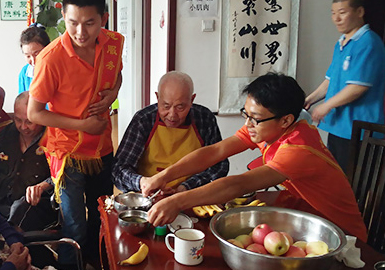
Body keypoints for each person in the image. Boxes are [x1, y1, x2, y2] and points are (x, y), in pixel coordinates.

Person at [142, 73, 367, 241]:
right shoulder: (265, 128)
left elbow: (240, 183)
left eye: (255, 118)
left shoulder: (298, 149)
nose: (248, 124)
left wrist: (178, 201)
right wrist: (165, 176)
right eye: (246, 114)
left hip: (343, 236)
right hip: (307, 220)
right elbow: (216, 151)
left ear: (286, 120)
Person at [27, 0, 124, 268]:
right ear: (63, 16)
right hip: (66, 150)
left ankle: (99, 268)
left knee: (101, 215)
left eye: (90, 23)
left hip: (101, 145)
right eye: (72, 23)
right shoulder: (51, 59)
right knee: (74, 224)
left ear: (104, 18)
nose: (80, 32)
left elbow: (116, 75)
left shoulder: (113, 44)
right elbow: (34, 113)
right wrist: (82, 125)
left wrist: (112, 95)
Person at [304, 0, 385, 172]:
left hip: (361, 131)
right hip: (339, 127)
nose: (336, 19)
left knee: (355, 183)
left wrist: (326, 106)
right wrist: (309, 99)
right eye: (333, 13)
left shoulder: (368, 42)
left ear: (359, 12)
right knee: (338, 177)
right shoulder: (341, 43)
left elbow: (358, 87)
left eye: (342, 12)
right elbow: (330, 80)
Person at [113, 71, 228, 193]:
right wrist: (143, 183)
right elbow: (119, 170)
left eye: (180, 107)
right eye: (166, 106)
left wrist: (186, 187)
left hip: (190, 195)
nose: (172, 115)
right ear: (157, 98)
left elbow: (219, 165)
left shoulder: (204, 119)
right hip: (149, 196)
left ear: (192, 100)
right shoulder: (144, 120)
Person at [0, 91, 57, 231]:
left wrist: (42, 186)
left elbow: (62, 173)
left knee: (19, 210)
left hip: (36, 205)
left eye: (29, 122)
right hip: (2, 201)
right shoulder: (6, 134)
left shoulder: (53, 137)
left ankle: (10, 243)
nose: (23, 127)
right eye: (18, 120)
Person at [18, 24, 51, 94]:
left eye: (37, 54)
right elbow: (22, 101)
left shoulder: (58, 69)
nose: (33, 61)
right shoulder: (25, 73)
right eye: (28, 56)